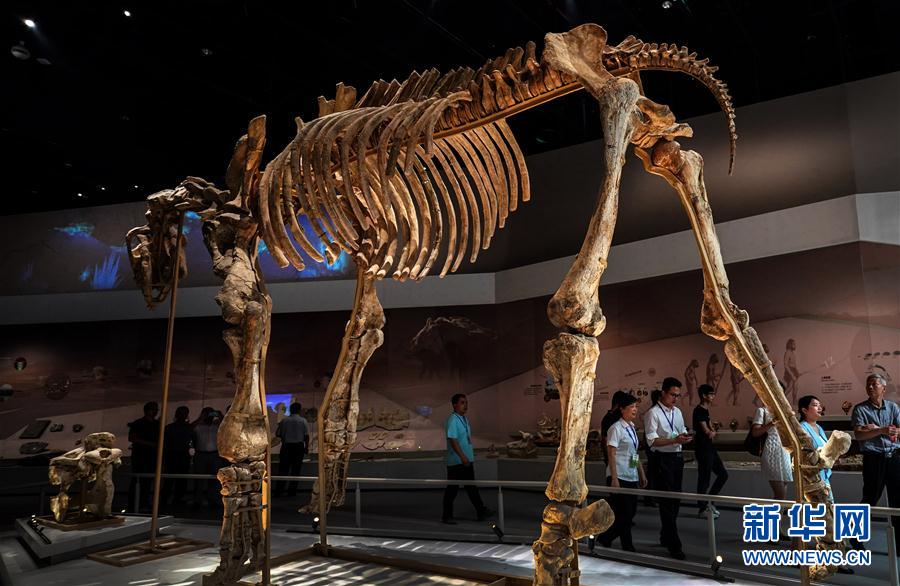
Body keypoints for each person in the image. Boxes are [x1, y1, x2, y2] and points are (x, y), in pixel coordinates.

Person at [643, 377, 692, 560]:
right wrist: (674, 440)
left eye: (678, 395)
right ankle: (674, 544)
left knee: (676, 500)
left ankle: (666, 535)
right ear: (663, 392)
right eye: (672, 395)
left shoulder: (677, 412)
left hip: (677, 458)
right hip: (662, 460)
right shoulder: (652, 413)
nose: (675, 399)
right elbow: (652, 441)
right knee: (668, 503)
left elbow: (680, 431)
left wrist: (685, 437)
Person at [851, 373, 900, 545]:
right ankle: (855, 536)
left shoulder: (893, 408)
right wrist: (881, 430)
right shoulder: (860, 409)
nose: (870, 387)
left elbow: (898, 429)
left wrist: (895, 431)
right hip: (873, 459)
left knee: (897, 501)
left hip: (894, 458)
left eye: (874, 384)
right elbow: (859, 434)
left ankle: (898, 543)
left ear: (884, 388)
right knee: (870, 498)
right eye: (868, 384)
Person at [599, 394, 646, 551]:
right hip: (618, 475)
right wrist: (614, 478)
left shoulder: (631, 427)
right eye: (632, 407)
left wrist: (640, 472)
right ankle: (626, 546)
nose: (635, 410)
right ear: (622, 409)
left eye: (636, 407)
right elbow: (611, 453)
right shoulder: (616, 428)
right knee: (624, 515)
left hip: (630, 475)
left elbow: (633, 453)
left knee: (629, 514)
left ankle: (606, 538)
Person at [442, 393, 493, 524]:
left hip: (465, 461)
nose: (465, 405)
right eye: (462, 403)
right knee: (452, 490)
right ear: (455, 405)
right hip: (457, 462)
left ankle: (481, 511)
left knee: (471, 488)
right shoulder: (453, 419)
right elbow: (452, 440)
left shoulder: (464, 419)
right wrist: (463, 456)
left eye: (466, 403)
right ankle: (447, 516)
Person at [752, 384, 793, 503]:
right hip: (771, 449)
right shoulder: (762, 410)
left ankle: (777, 520)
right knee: (779, 492)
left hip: (784, 450)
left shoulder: (785, 410)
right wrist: (772, 423)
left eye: (780, 391)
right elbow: (755, 432)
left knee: (784, 489)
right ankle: (773, 520)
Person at [693, 384, 728, 517]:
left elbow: (710, 428)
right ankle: (702, 508)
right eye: (711, 394)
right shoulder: (699, 410)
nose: (713, 396)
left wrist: (713, 428)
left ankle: (710, 502)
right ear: (704, 396)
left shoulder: (705, 410)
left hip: (710, 448)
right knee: (704, 479)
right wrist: (713, 430)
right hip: (703, 449)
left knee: (723, 474)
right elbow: (707, 432)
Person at [127, 401, 159, 512]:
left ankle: (143, 503)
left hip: (152, 457)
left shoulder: (156, 424)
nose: (155, 412)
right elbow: (132, 438)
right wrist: (149, 444)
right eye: (153, 409)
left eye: (156, 409)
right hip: (140, 457)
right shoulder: (138, 423)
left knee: (148, 481)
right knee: (137, 480)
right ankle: (133, 504)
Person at [274, 402, 310, 498]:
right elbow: (306, 436)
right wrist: (307, 447)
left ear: (290, 410)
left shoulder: (284, 421)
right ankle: (292, 491)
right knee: (296, 470)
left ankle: (279, 491)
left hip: (286, 447)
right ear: (299, 410)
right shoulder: (303, 421)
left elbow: (278, 434)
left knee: (283, 470)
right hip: (298, 447)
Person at [161, 405, 193, 510]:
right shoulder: (170, 428)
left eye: (184, 413)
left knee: (181, 481)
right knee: (169, 481)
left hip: (183, 457)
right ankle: (164, 501)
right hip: (172, 457)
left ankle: (176, 500)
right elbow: (165, 444)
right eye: (181, 413)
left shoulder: (188, 428)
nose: (182, 415)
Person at [193, 406, 222, 507]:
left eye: (211, 413)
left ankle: (213, 499)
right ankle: (197, 500)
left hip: (215, 455)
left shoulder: (217, 426)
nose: (209, 416)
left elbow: (227, 426)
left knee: (215, 479)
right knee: (199, 478)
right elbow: (190, 427)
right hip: (200, 454)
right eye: (207, 413)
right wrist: (201, 418)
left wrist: (219, 415)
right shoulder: (198, 426)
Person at [600, 391, 628, 464]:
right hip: (617, 464)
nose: (635, 409)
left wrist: (634, 466)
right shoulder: (611, 421)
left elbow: (634, 450)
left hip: (628, 467)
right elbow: (606, 442)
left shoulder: (630, 424)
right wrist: (610, 463)